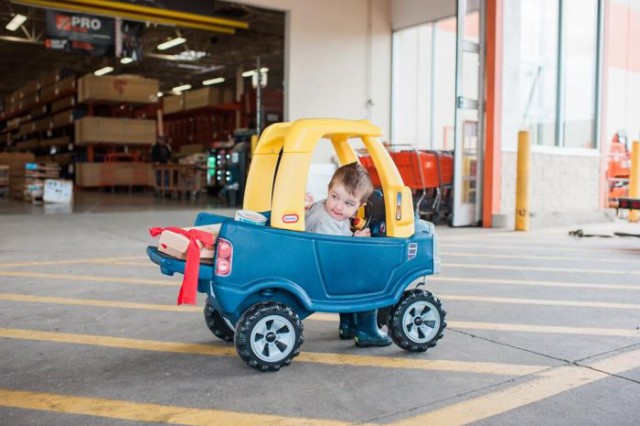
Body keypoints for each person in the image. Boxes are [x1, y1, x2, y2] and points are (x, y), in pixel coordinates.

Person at [305, 162, 392, 347]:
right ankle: (367, 331)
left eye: (348, 204)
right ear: (328, 190)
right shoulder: (326, 222)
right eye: (335, 197)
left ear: (360, 206)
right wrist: (356, 239)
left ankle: (348, 324)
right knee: (371, 280)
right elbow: (336, 252)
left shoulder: (321, 207)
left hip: (318, 269)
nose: (338, 206)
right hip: (323, 276)